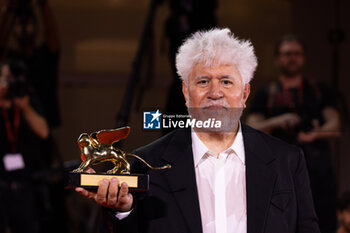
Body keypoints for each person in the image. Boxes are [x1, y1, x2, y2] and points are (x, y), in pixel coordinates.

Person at [76, 28, 320, 233]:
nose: (215, 93)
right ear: (185, 92)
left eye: (226, 81)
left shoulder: (287, 160)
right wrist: (122, 212)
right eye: (203, 81)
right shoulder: (147, 163)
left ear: (244, 93)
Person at [246, 35, 340, 233]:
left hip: (318, 177)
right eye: (287, 54)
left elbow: (336, 124)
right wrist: (278, 121)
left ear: (304, 58)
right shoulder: (267, 93)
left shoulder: (318, 91)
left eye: (297, 54)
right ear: (277, 59)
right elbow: (251, 128)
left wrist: (316, 133)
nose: (292, 58)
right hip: (279, 179)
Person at [0, 60, 49, 233]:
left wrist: (25, 107)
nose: (8, 83)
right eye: (4, 79)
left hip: (26, 185)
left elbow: (44, 132)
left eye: (10, 78)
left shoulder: (26, 101)